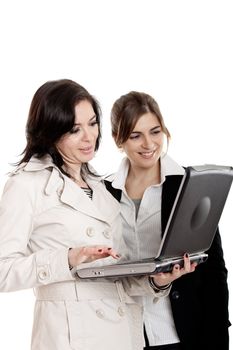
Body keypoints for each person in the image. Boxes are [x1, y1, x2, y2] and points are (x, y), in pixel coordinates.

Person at [0, 80, 195, 350]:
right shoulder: (27, 185)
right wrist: (67, 258)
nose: (89, 137)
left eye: (92, 123)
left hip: (120, 334)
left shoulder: (100, 187)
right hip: (69, 337)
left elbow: (114, 279)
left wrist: (156, 281)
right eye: (74, 129)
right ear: (50, 131)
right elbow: (3, 270)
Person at [106, 91, 231, 350]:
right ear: (118, 139)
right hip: (124, 335)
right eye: (135, 135)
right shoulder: (104, 192)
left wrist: (219, 338)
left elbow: (214, 270)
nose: (148, 144)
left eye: (155, 131)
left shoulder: (189, 185)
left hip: (179, 335)